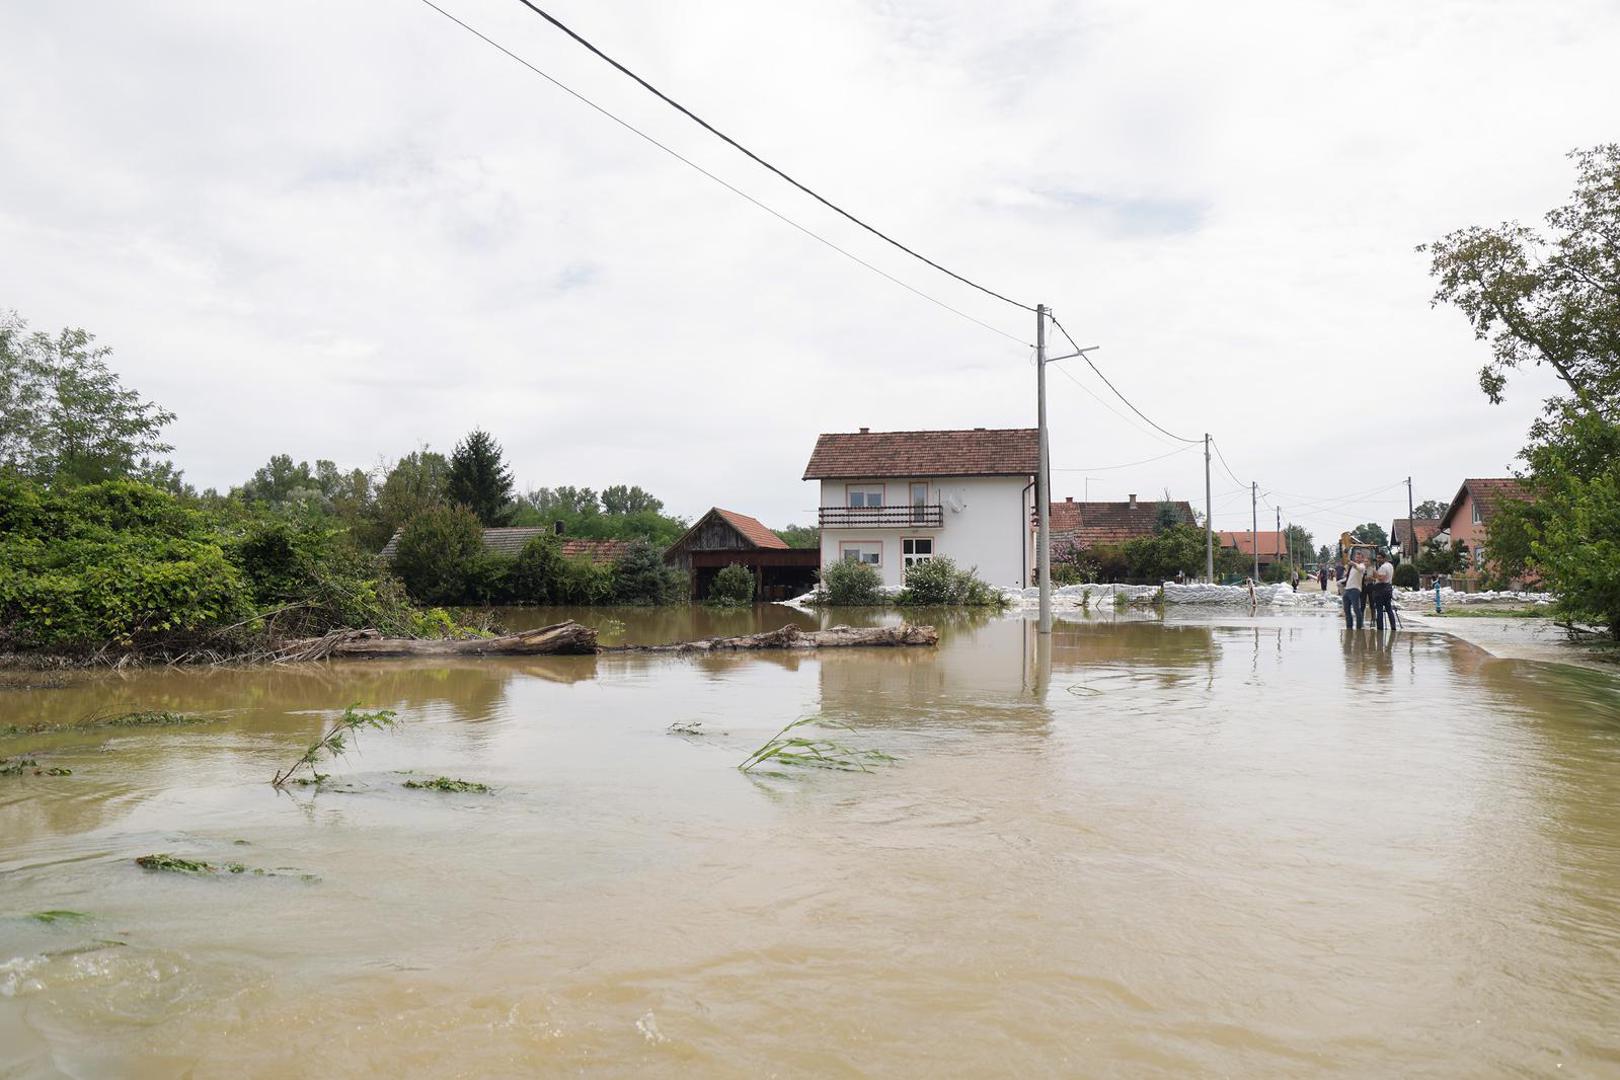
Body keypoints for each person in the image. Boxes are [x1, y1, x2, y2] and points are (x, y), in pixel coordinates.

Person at [1372, 549, 1397, 632]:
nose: (1378, 560)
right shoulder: (1390, 565)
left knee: (1379, 609)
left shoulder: (1383, 567)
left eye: (1379, 558)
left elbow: (1381, 579)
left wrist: (1375, 574)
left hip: (1381, 589)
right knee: (1389, 608)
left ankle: (1380, 628)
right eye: (1377, 558)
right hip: (1388, 588)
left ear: (1384, 558)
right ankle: (1393, 627)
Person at [1342, 554, 1366, 629]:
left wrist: (1352, 563)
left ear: (1362, 559)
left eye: (1359, 557)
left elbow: (1359, 568)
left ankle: (1359, 627)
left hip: (1355, 589)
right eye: (1356, 557)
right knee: (1346, 610)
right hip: (1347, 589)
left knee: (1356, 609)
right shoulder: (1351, 567)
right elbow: (1346, 575)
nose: (1357, 558)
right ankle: (1349, 626)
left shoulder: (1362, 566)